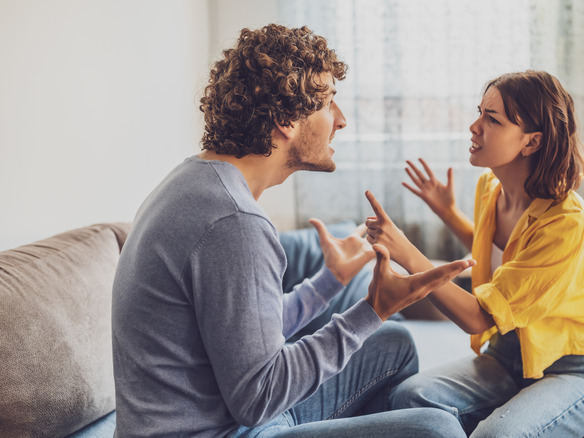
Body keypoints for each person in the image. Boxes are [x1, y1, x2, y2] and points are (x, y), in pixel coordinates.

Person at [112, 24, 473, 438]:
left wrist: (329, 282)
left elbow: (245, 333)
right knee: (435, 429)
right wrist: (372, 308)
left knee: (392, 344)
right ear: (286, 119)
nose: (341, 120)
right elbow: (258, 396)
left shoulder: (195, 180)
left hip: (230, 416)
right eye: (329, 103)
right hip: (225, 430)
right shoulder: (235, 222)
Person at [364, 70, 584, 437]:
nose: (474, 126)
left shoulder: (567, 224)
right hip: (505, 356)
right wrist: (448, 212)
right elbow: (505, 258)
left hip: (571, 368)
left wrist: (406, 251)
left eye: (492, 119)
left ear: (531, 142)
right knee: (410, 398)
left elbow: (479, 318)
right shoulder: (491, 188)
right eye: (479, 112)